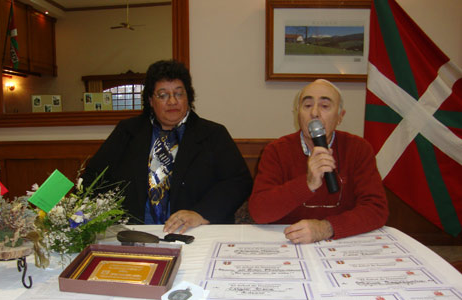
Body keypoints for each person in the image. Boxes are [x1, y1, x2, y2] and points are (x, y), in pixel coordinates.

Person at [82, 60, 252, 234]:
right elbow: (94, 178)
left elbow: (238, 182)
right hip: (133, 231)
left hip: (192, 231)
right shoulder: (127, 132)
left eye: (179, 94)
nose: (172, 101)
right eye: (163, 95)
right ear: (150, 100)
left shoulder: (213, 134)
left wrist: (201, 213)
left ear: (188, 97)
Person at [248, 79, 388, 243]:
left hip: (343, 241)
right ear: (297, 113)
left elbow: (376, 209)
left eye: (325, 106)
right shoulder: (276, 151)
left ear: (340, 117)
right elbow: (259, 212)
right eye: (307, 105)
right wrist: (307, 184)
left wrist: (326, 228)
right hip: (288, 240)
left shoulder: (358, 149)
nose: (314, 113)